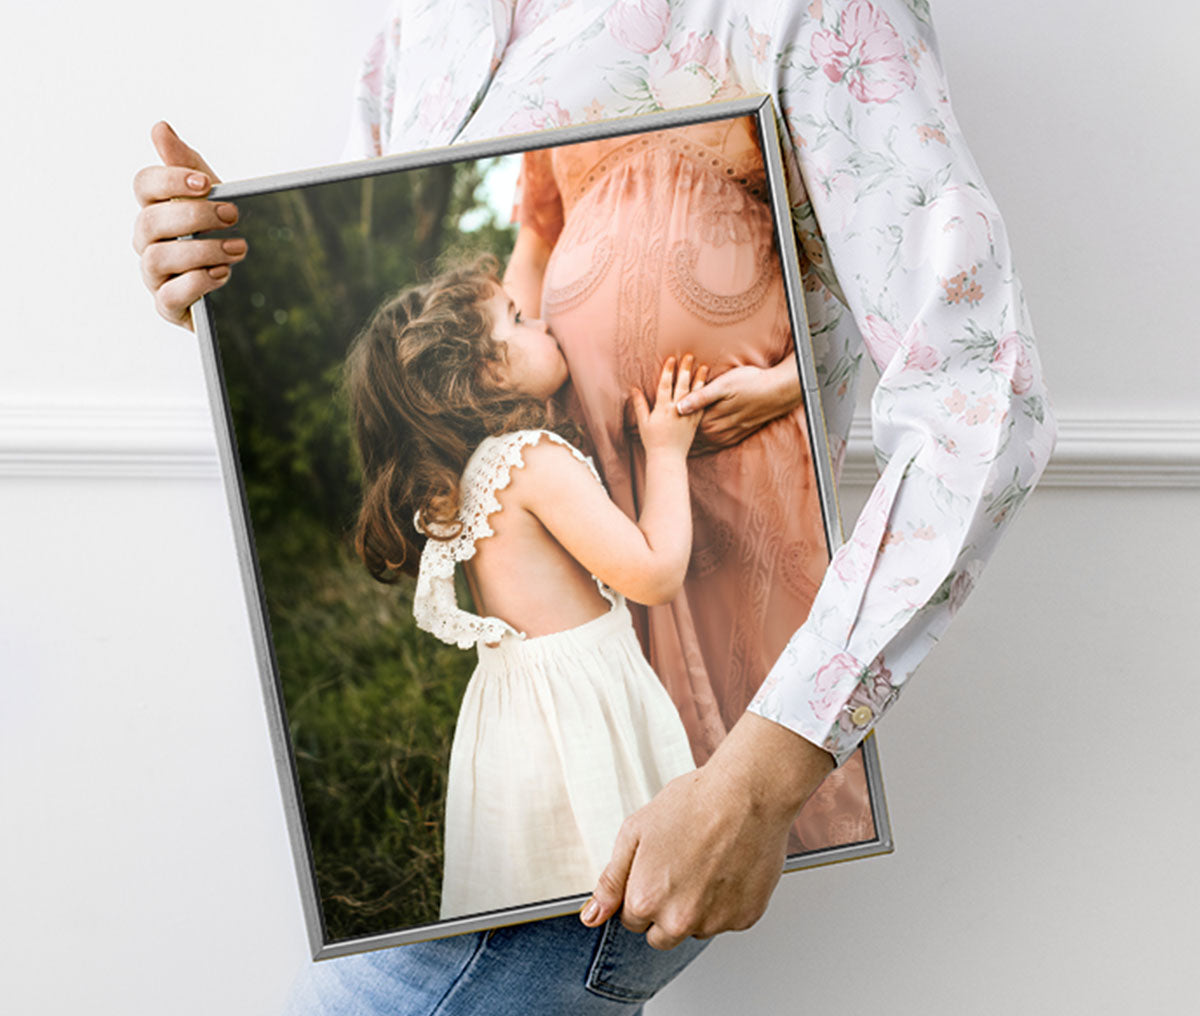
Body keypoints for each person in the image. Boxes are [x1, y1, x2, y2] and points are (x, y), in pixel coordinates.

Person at [131, 0, 1058, 1009]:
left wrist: (756, 778)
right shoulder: (422, 25)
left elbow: (977, 396)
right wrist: (217, 265)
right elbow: (481, 285)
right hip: (565, 668)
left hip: (710, 669)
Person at [503, 113, 876, 854]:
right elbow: (535, 248)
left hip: (745, 426)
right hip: (606, 446)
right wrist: (515, 389)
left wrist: (786, 381)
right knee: (642, 691)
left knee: (762, 648)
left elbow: (864, 266)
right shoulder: (556, 73)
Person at [342, 259, 703, 920]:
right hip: (575, 705)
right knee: (611, 877)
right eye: (516, 317)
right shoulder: (529, 459)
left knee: (533, 889)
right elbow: (653, 574)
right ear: (492, 369)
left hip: (514, 712)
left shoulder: (468, 476)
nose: (540, 321)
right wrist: (669, 451)